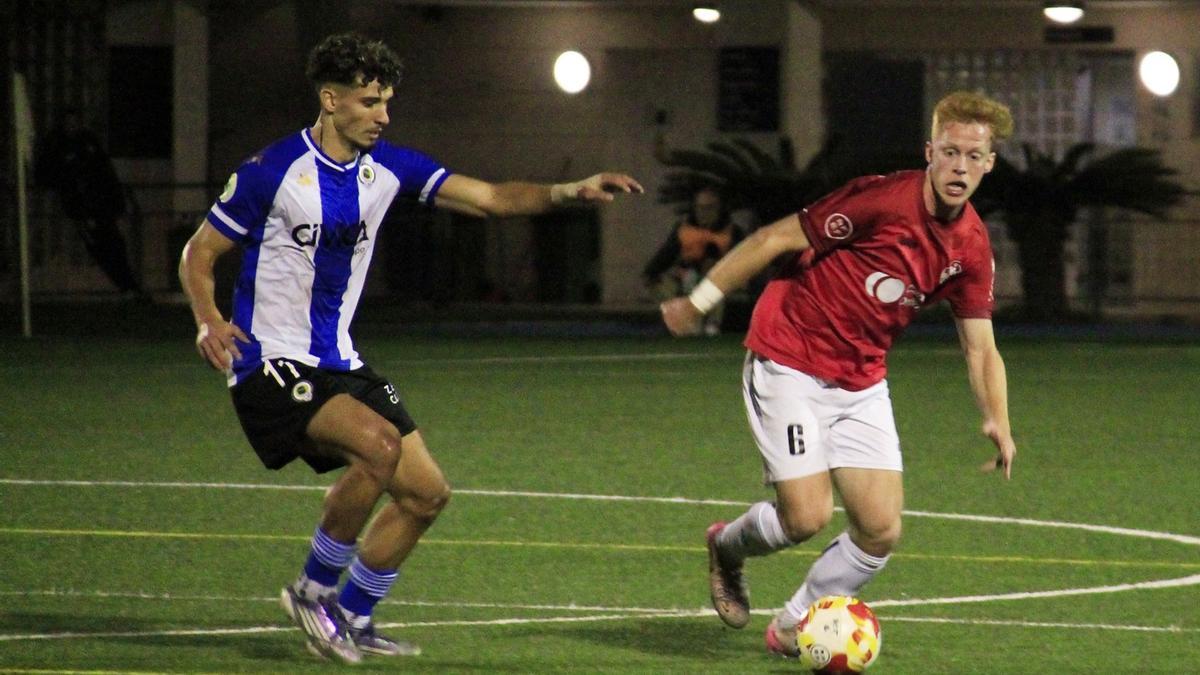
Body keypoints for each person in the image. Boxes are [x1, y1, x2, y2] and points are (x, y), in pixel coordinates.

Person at [178, 32, 642, 664]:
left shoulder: (388, 168)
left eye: (387, 102)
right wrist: (208, 320)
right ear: (330, 99)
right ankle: (312, 592)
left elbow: (490, 198)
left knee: (426, 494)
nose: (383, 116)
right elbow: (200, 252)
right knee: (377, 445)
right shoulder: (271, 171)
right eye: (370, 102)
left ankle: (355, 615)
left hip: (340, 359)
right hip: (270, 360)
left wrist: (568, 192)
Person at [660, 91, 1017, 657]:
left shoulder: (972, 247)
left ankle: (792, 626)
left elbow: (981, 348)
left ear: (990, 162)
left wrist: (996, 418)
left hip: (861, 379)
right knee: (806, 517)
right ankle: (728, 547)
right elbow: (772, 238)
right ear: (929, 151)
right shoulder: (882, 200)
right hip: (789, 357)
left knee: (880, 529)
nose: (960, 166)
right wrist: (699, 301)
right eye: (950, 152)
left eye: (974, 156)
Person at [36, 108, 146, 298]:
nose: (72, 127)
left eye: (75, 122)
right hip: (81, 208)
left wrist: (116, 200)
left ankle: (129, 285)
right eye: (68, 123)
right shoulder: (57, 145)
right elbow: (47, 175)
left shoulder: (88, 142)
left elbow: (105, 172)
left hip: (101, 205)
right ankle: (126, 285)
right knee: (100, 247)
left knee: (115, 244)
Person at [643, 186, 743, 335]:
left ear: (719, 208)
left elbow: (745, 263)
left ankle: (712, 326)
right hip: (686, 280)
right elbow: (665, 256)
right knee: (667, 285)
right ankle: (684, 325)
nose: (704, 213)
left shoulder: (732, 232)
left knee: (715, 286)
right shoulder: (684, 230)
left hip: (719, 281)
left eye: (710, 208)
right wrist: (651, 275)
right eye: (700, 208)